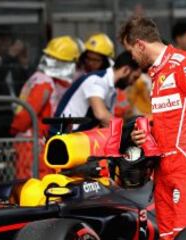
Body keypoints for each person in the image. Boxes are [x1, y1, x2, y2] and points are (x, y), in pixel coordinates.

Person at [119, 16, 186, 239]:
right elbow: (170, 119)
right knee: (167, 235)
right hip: (162, 167)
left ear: (140, 45)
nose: (132, 58)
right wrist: (145, 135)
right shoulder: (156, 75)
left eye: (132, 51)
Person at [10, 35, 80, 179]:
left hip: (34, 140)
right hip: (31, 141)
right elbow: (27, 113)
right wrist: (15, 129)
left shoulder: (42, 79)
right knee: (31, 182)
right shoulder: (44, 83)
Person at [52, 51, 141, 132]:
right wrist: (127, 130)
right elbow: (101, 114)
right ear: (125, 70)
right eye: (134, 77)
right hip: (62, 136)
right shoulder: (96, 80)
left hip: (78, 137)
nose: (133, 83)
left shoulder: (111, 89)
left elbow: (107, 122)